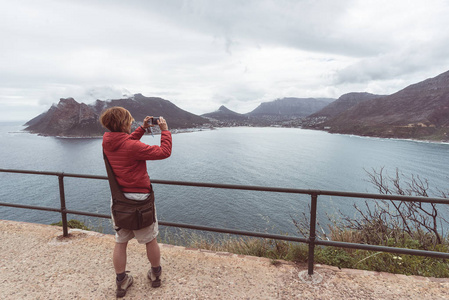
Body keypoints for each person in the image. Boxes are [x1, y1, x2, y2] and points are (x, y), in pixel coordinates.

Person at [99, 107, 172, 298]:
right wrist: (164, 130)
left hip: (119, 201)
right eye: (130, 121)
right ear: (124, 123)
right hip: (141, 201)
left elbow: (126, 142)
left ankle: (121, 281)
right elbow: (164, 152)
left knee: (121, 241)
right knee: (150, 239)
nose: (132, 123)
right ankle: (155, 275)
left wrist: (142, 129)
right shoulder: (132, 147)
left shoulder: (106, 142)